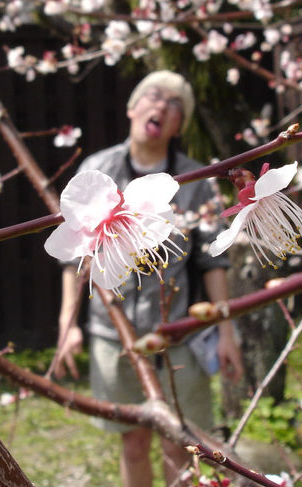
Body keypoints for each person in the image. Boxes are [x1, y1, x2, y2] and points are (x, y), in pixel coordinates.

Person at [54, 70, 244, 487]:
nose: (161, 106)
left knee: (180, 443)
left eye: (175, 104)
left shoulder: (194, 182)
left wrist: (226, 332)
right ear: (132, 108)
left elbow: (214, 263)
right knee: (133, 442)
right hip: (113, 333)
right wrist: (68, 325)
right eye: (154, 96)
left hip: (179, 333)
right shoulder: (96, 169)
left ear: (179, 125)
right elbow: (75, 261)